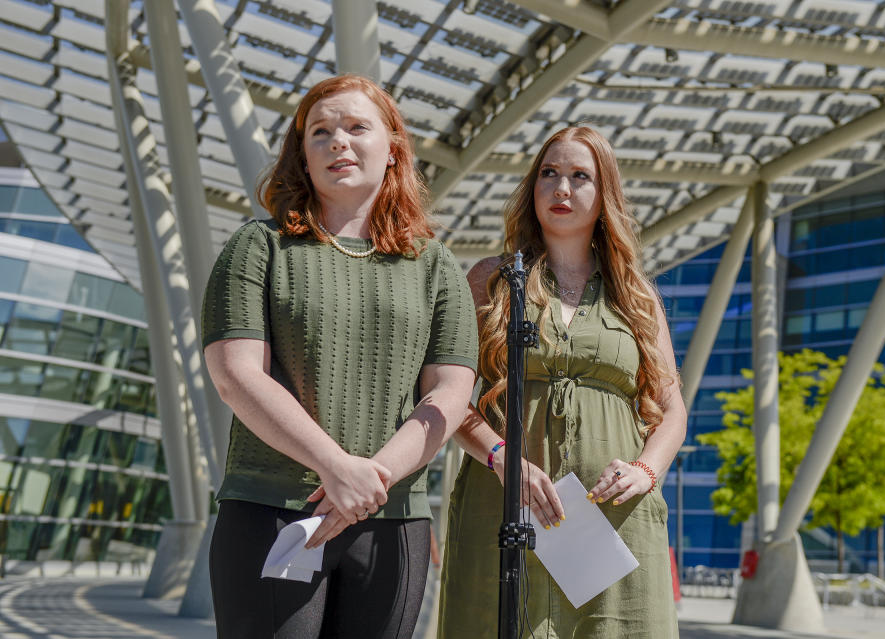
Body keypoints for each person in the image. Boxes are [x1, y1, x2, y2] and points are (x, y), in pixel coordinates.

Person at [201, 74, 478, 639]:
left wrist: (370, 479)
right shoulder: (260, 246)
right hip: (273, 509)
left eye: (357, 127)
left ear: (394, 146)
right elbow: (235, 375)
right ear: (301, 156)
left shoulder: (435, 265)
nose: (338, 142)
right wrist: (336, 468)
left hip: (394, 520)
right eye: (320, 132)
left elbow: (450, 393)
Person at [438, 126, 686, 638]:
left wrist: (646, 469)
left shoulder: (635, 296)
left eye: (580, 176)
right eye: (549, 174)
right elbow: (447, 396)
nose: (562, 189)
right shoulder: (491, 280)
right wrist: (500, 457)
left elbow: (672, 407)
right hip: (502, 508)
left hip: (614, 521)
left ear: (605, 194)